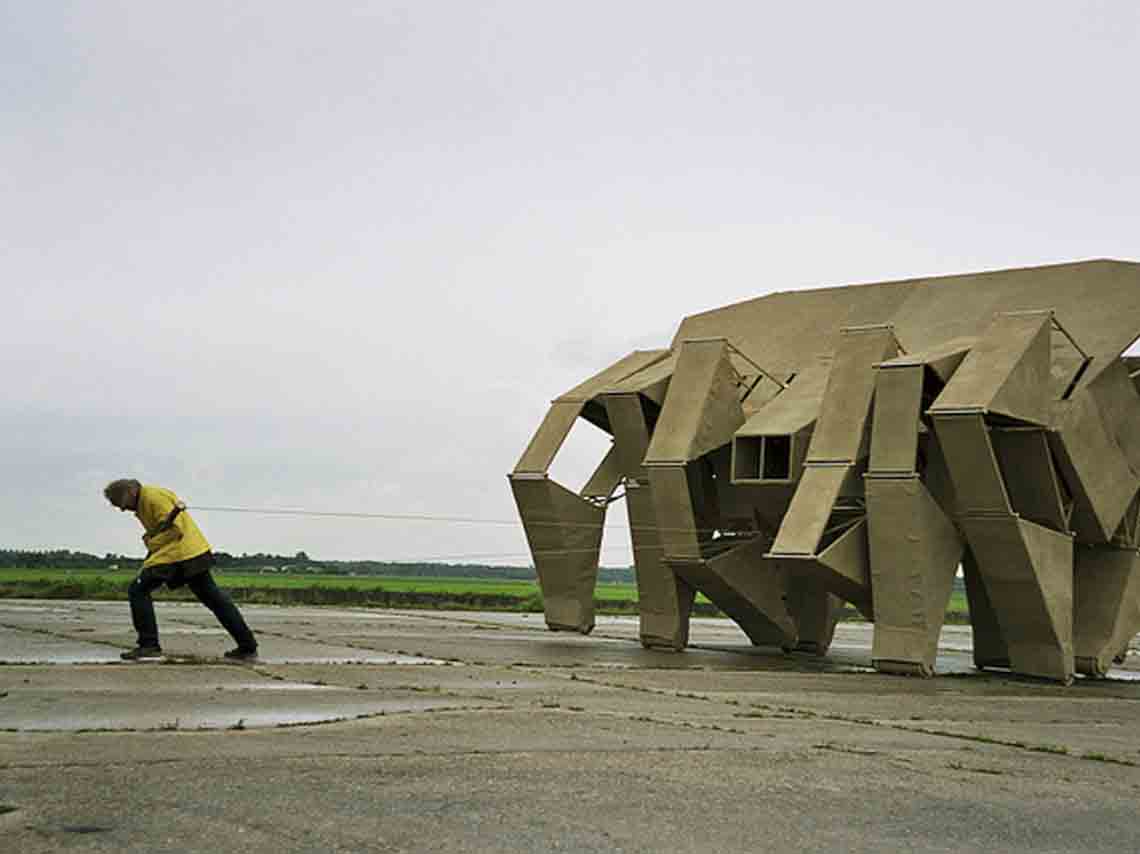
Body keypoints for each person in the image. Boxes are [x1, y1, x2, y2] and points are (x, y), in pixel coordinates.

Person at [103, 479, 258, 661]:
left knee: (138, 590)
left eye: (120, 503)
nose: (122, 509)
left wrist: (151, 542)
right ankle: (247, 646)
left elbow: (174, 530)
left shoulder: (153, 498)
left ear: (130, 492)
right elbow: (164, 527)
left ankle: (149, 645)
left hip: (179, 553)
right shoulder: (148, 498)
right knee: (214, 598)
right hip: (193, 551)